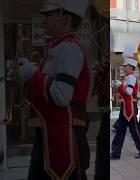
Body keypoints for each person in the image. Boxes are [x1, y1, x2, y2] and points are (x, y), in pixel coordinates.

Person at [17, 0, 90, 179]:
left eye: (49, 15)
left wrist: (33, 74)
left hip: (64, 138)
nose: (44, 19)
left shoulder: (68, 48)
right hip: (52, 134)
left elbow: (61, 96)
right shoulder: (58, 48)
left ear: (64, 19)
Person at [110, 46, 140, 160]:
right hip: (126, 107)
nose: (123, 68)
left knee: (134, 131)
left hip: (129, 107)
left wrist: (119, 85)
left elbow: (128, 92)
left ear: (131, 68)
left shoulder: (131, 77)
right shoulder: (128, 77)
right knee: (121, 131)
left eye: (125, 66)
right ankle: (116, 153)